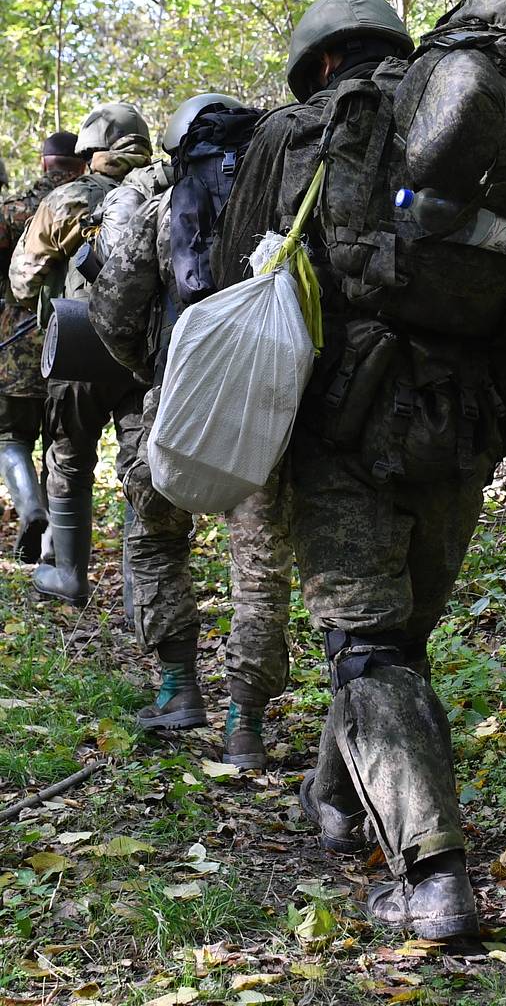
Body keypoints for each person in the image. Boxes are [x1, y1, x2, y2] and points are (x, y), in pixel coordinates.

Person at [212, 0, 506, 938]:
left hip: (342, 423)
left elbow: (236, 281)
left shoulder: (296, 132)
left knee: (369, 643)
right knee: (395, 635)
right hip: (469, 416)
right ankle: (341, 799)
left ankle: (433, 877)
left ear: (318, 63)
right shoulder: (488, 125)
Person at [88, 94, 293, 769]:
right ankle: (245, 723)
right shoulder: (288, 207)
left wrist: (157, 371)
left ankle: (178, 688)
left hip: (177, 400)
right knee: (258, 565)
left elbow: (115, 313)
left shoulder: (161, 208)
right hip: (265, 408)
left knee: (153, 534)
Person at [9, 102, 154, 606]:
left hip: (80, 347)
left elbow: (23, 281)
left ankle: (69, 575)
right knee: (143, 466)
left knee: (69, 459)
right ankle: (145, 590)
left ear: (90, 150)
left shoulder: (69, 197)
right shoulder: (171, 191)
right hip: (149, 356)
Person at [0, 132, 87, 560]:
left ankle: (32, 511)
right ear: (82, 162)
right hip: (76, 343)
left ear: (42, 162)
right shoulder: (96, 202)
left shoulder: (12, 212)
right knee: (65, 443)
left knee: (10, 437)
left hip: (17, 348)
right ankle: (57, 540)